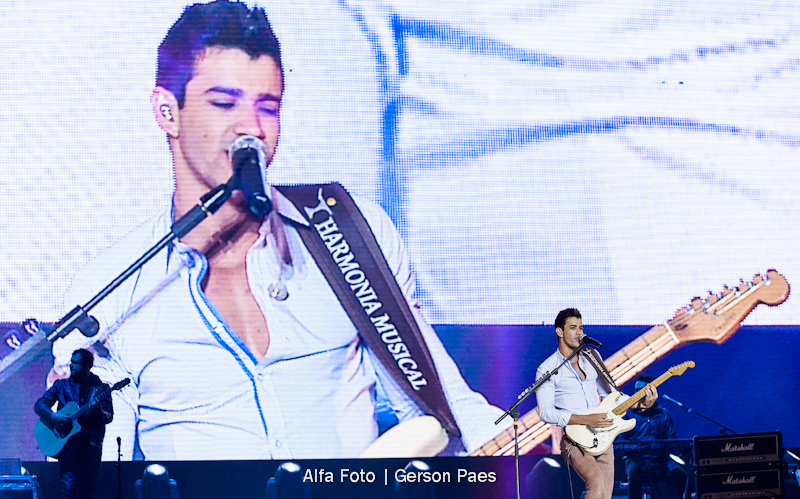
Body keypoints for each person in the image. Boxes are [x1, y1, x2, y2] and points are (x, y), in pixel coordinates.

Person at [49, 0, 504, 461]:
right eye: (224, 103)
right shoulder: (108, 292)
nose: (251, 129)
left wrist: (528, 447)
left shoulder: (345, 230)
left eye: (267, 107)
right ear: (167, 111)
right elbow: (93, 474)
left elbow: (447, 411)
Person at [535, 308, 658, 499]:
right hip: (574, 437)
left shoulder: (592, 357)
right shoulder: (547, 368)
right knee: (596, 481)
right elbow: (546, 413)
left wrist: (640, 404)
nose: (579, 332)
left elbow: (611, 395)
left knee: (605, 494)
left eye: (581, 327)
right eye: (573, 328)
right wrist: (586, 419)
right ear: (559, 331)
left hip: (603, 435)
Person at [35, 349, 114, 499]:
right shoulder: (61, 385)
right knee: (68, 490)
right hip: (67, 447)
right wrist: (54, 416)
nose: (71, 366)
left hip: (91, 446)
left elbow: (108, 416)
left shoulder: (101, 388)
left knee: (87, 491)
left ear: (88, 366)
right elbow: (40, 405)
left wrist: (98, 412)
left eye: (76, 363)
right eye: (71, 362)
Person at [624, 374, 683, 499]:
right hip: (636, 458)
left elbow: (671, 438)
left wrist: (664, 450)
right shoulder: (627, 414)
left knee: (680, 474)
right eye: (636, 390)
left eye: (641, 391)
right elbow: (620, 439)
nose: (637, 394)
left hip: (661, 458)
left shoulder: (663, 413)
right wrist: (634, 449)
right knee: (635, 474)